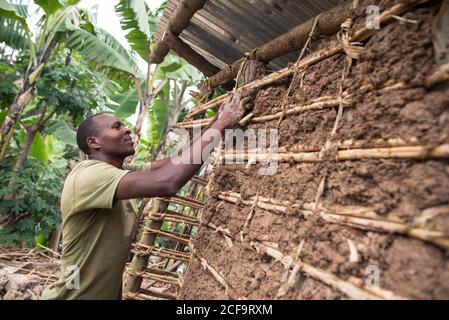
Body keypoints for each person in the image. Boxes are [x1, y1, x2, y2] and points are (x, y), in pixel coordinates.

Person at [40, 93, 246, 299]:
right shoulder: (90, 175)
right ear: (94, 142)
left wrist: (216, 121)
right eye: (117, 126)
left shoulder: (118, 171)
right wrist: (220, 125)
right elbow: (167, 182)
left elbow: (173, 162)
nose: (127, 129)